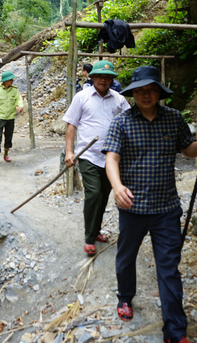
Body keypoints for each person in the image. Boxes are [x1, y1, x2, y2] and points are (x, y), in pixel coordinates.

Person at [102, 65, 197, 340]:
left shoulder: (174, 119)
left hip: (166, 208)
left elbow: (187, 150)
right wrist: (117, 187)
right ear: (133, 94)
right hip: (133, 207)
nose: (145, 95)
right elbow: (111, 159)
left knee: (169, 268)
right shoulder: (122, 122)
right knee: (126, 258)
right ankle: (125, 297)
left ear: (158, 93)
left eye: (150, 90)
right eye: (140, 91)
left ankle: (175, 331)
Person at [63, 60, 130, 257]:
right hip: (88, 155)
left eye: (108, 77)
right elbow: (71, 125)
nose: (104, 80)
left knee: (104, 196)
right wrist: (69, 152)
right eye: (100, 76)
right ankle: (89, 238)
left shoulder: (118, 99)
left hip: (112, 158)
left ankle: (96, 230)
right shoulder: (82, 97)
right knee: (93, 194)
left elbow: (131, 121)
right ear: (92, 77)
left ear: (112, 80)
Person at [0, 71, 24, 166]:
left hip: (10, 117)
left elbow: (19, 99)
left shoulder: (14, 90)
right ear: (5, 81)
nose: (12, 81)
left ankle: (6, 155)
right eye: (10, 79)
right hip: (0, 117)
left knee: (8, 137)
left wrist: (20, 106)